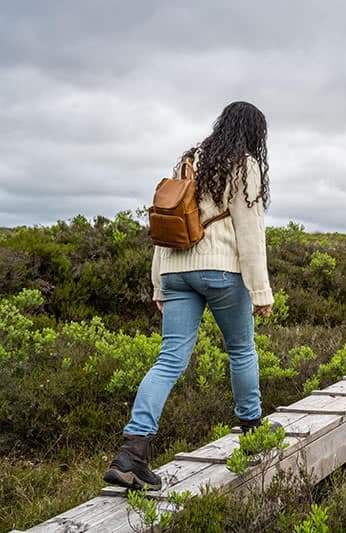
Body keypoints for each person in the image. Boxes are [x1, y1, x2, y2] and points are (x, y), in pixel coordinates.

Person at [103, 101, 280, 490]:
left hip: (175, 270)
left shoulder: (188, 161)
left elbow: (167, 221)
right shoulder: (243, 163)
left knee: (169, 360)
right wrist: (260, 290)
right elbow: (250, 232)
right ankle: (253, 432)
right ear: (253, 132)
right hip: (220, 269)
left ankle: (131, 455)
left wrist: (158, 282)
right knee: (241, 350)